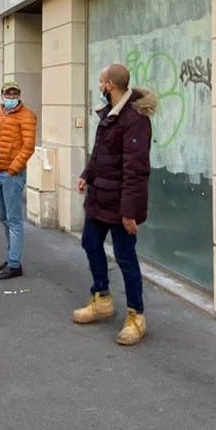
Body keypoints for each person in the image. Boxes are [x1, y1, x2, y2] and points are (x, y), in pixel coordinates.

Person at [73, 63, 156, 344]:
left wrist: (129, 211)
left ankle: (137, 316)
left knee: (125, 258)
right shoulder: (109, 114)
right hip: (100, 197)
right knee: (90, 244)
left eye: (101, 81)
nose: (99, 86)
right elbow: (100, 153)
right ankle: (101, 299)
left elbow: (136, 169)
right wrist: (87, 174)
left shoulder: (135, 119)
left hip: (121, 204)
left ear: (109, 84)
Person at [0, 79, 37, 280]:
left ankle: (15, 264)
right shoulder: (0, 114)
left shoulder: (28, 116)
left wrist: (12, 170)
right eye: (8, 93)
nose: (11, 97)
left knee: (14, 220)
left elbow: (28, 147)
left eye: (14, 93)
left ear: (19, 95)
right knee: (4, 218)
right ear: (2, 94)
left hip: (12, 174)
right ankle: (11, 257)